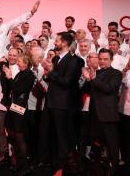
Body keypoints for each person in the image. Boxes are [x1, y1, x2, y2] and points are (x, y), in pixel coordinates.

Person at [38, 32, 80, 175]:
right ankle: (50, 161)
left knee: (62, 135)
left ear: (65, 43)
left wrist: (51, 71)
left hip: (62, 104)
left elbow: (67, 82)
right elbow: (52, 80)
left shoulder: (73, 61)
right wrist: (46, 73)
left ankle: (61, 166)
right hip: (50, 102)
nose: (54, 43)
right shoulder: (55, 58)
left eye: (57, 41)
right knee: (48, 133)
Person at [83, 48, 122, 175]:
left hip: (107, 115)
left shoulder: (116, 73)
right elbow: (87, 90)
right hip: (94, 114)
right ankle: (97, 167)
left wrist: (94, 78)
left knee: (111, 144)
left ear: (111, 60)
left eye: (105, 59)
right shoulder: (96, 73)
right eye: (100, 59)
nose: (102, 61)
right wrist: (88, 80)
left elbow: (109, 89)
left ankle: (113, 169)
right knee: (96, 144)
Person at [3, 53, 36, 176]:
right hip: (13, 106)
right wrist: (8, 77)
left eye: (20, 61)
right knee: (12, 134)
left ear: (26, 63)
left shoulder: (29, 75)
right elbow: (11, 89)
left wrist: (10, 78)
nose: (17, 63)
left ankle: (25, 166)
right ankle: (17, 162)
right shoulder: (20, 74)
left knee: (19, 136)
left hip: (20, 108)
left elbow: (17, 90)